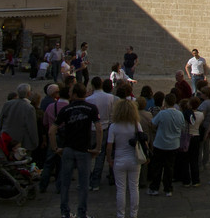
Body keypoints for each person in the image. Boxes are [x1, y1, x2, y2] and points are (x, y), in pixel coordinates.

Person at [51, 83, 102, 218]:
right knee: (84, 184)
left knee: (65, 183)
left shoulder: (66, 110)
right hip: (84, 149)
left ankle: (65, 212)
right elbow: (99, 128)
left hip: (68, 148)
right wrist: (97, 147)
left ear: (73, 94)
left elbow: (52, 131)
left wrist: (55, 148)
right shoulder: (91, 108)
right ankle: (82, 213)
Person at [106, 99, 143, 218]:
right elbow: (143, 140)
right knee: (134, 187)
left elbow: (109, 146)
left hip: (119, 159)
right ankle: (134, 214)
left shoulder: (114, 126)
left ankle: (120, 214)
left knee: (120, 189)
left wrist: (109, 159)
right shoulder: (136, 124)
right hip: (134, 158)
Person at [148, 92, 184, 196]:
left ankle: (155, 187)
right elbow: (182, 126)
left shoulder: (162, 113)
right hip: (173, 144)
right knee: (169, 167)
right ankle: (168, 189)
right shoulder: (179, 114)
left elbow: (153, 125)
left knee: (158, 167)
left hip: (160, 144)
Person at [88, 75, 117, 191]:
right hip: (105, 127)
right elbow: (112, 114)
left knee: (89, 155)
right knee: (100, 155)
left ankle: (90, 180)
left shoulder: (89, 99)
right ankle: (95, 182)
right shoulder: (110, 97)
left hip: (92, 129)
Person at [0, 82, 38, 152]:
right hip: (21, 141)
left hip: (5, 137)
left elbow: (1, 120)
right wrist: (35, 142)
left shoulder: (8, 104)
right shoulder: (29, 108)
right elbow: (32, 127)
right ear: (28, 93)